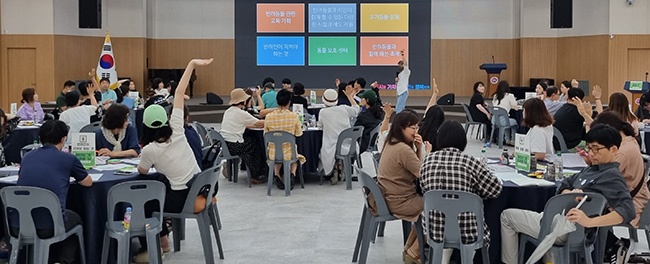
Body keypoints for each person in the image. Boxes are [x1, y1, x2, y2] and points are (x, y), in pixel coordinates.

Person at [500, 124, 635, 264]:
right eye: (589, 148)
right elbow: (565, 182)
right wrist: (569, 194)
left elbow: (628, 211)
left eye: (596, 149)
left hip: (566, 229)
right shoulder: (593, 169)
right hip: (565, 225)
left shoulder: (612, 177)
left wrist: (590, 222)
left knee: (507, 216)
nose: (591, 153)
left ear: (613, 149)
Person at [136, 58, 212, 262]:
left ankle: (157, 245)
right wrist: (192, 64)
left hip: (182, 200)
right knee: (161, 182)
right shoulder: (178, 128)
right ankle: (164, 242)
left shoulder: (149, 150)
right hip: (199, 187)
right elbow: (179, 92)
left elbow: (141, 172)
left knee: (147, 201)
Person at [419, 120, 502, 264]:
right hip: (468, 231)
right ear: (463, 141)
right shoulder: (470, 162)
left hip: (434, 230)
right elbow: (495, 190)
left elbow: (424, 189)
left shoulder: (427, 161)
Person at [15, 120, 92, 264]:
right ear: (63, 139)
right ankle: (63, 261)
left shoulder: (27, 157)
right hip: (50, 224)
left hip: (19, 223)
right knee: (76, 219)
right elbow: (87, 182)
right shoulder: (68, 158)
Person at [376, 110, 431, 262]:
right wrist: (427, 152)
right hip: (400, 201)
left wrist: (418, 149)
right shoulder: (403, 149)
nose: (416, 131)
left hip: (387, 197)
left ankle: (410, 248)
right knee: (438, 207)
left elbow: (415, 171)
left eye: (417, 128)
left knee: (431, 208)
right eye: (412, 128)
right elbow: (424, 174)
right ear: (401, 128)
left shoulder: (391, 142)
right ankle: (414, 251)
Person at [590, 112, 649, 227]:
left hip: (628, 205)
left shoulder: (621, 152)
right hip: (633, 197)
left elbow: (601, 176)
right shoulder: (630, 140)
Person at [220, 88, 268, 184]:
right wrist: (274, 119)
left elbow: (243, 124)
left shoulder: (228, 111)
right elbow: (259, 123)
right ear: (244, 101)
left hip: (226, 144)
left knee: (251, 140)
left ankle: (250, 170)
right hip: (235, 145)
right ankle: (255, 174)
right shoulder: (241, 113)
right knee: (255, 145)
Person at [264, 89, 306, 190]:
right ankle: (292, 174)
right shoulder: (294, 116)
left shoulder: (269, 117)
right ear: (289, 102)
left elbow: (266, 134)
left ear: (277, 101)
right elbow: (299, 134)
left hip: (273, 153)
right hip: (289, 153)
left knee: (276, 154)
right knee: (295, 157)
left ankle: (277, 174)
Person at [318, 87, 360, 184]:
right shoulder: (344, 108)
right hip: (349, 146)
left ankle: (335, 169)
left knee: (323, 152)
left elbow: (320, 127)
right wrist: (350, 96)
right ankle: (340, 167)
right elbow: (356, 110)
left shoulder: (323, 112)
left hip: (331, 146)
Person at [492, 80, 519, 145]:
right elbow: (516, 107)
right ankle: (513, 140)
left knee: (507, 120)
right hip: (503, 121)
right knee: (514, 122)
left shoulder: (495, 96)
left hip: (494, 121)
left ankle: (507, 139)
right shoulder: (510, 96)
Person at [418, 79, 442, 149]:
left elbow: (428, 112)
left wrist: (434, 94)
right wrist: (435, 94)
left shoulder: (421, 129)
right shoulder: (440, 134)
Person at [183, 105, 203, 170]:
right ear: (187, 118)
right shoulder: (191, 130)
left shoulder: (178, 136)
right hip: (198, 172)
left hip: (187, 175)